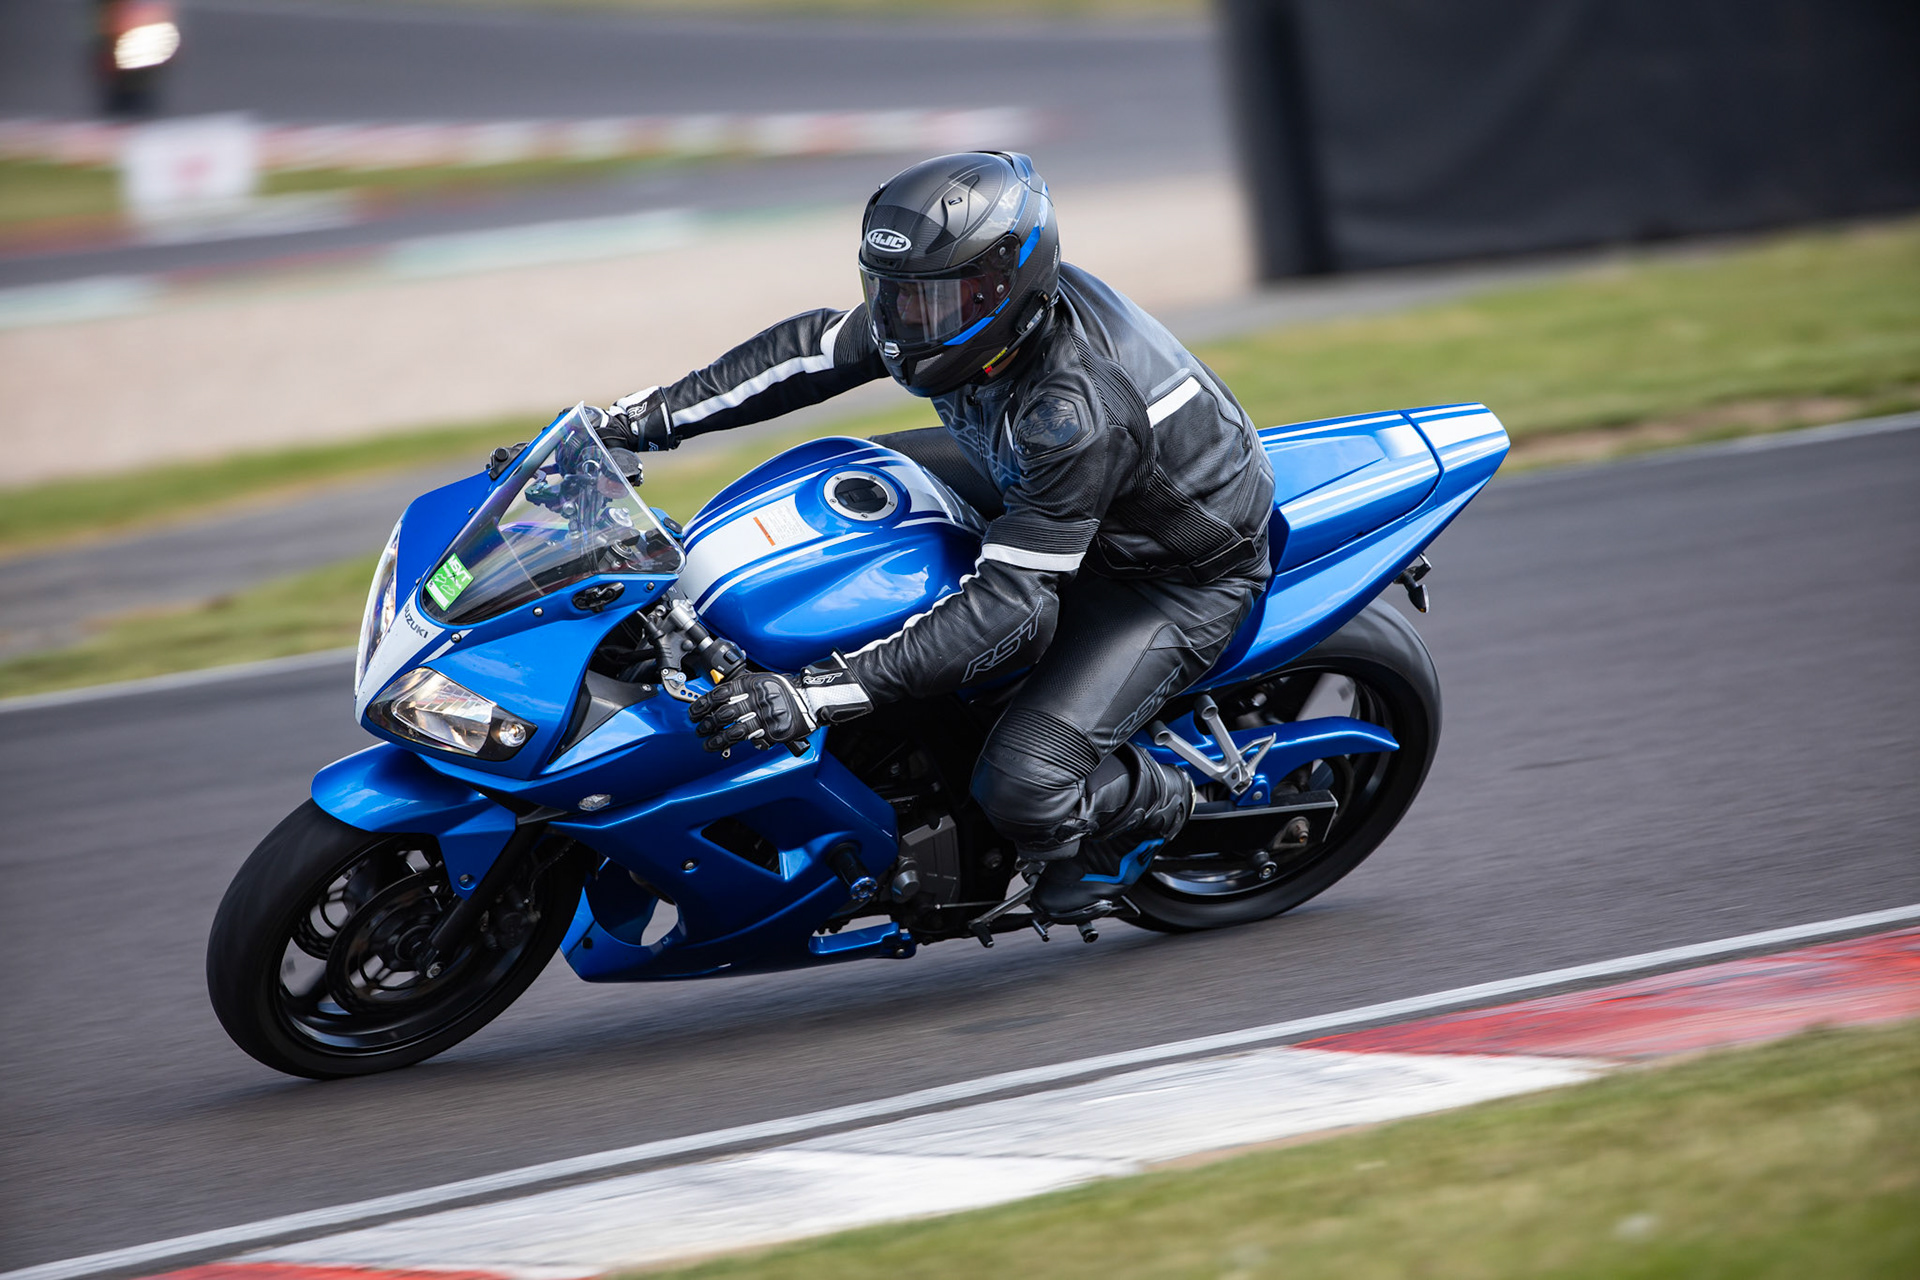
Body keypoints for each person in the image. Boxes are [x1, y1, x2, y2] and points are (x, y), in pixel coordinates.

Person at [605, 152, 1275, 924]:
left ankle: (1146, 807)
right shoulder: (953, 315)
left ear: (1009, 287)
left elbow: (1013, 605)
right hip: (1038, 479)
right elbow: (810, 352)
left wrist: (813, 694)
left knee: (1021, 783)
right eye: (894, 295)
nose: (906, 323)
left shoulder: (1071, 414)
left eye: (936, 301)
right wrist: (637, 419)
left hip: (1165, 574)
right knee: (829, 490)